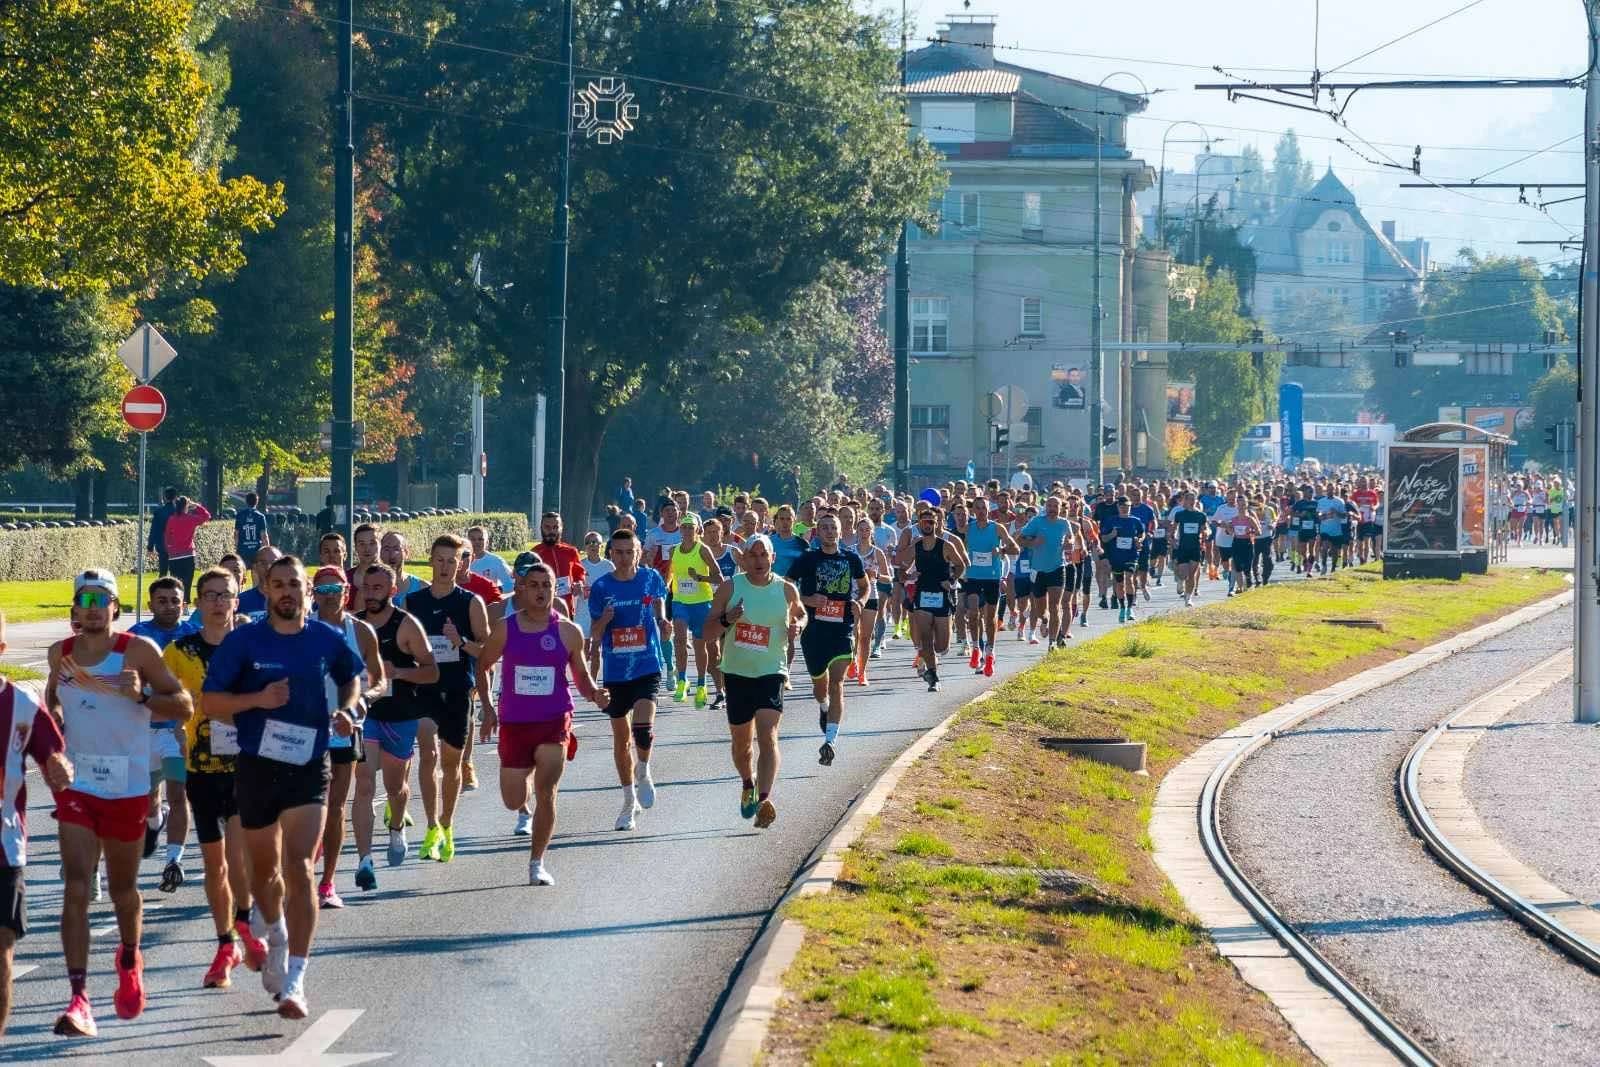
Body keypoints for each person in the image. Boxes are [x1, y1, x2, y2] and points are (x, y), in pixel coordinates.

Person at [200, 555, 363, 1019]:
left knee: (300, 867)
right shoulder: (244, 641)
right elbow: (211, 703)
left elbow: (352, 679)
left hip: (309, 764)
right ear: (266, 590)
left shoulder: (325, 638)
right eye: (278, 584)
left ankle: (296, 977)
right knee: (264, 873)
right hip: (257, 765)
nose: (287, 591)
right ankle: (276, 933)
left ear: (307, 591)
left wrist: (349, 710)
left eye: (295, 584)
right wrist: (259, 698)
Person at [46, 569, 193, 1036]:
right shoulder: (60, 654)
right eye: (84, 599)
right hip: (79, 786)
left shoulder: (137, 651)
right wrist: (54, 733)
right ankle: (79, 998)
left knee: (122, 891)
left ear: (115, 606)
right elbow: (52, 702)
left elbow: (184, 706)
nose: (92, 608)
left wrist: (144, 695)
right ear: (74, 607)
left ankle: (129, 958)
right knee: (76, 885)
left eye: (101, 599)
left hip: (127, 787)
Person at [163, 569, 271, 989]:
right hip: (201, 769)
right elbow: (161, 696)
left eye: (225, 595)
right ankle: (226, 943)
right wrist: (175, 716)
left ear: (236, 601)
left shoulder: (253, 647)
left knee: (240, 857)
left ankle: (243, 922)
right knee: (214, 864)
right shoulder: (180, 651)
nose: (218, 602)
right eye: (209, 595)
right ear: (198, 601)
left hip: (246, 767)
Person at [476, 557, 608, 885]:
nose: (541, 591)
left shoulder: (568, 631)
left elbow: (581, 676)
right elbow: (483, 665)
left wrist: (595, 694)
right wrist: (488, 709)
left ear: (554, 590)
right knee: (513, 800)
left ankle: (537, 863)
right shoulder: (506, 628)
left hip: (554, 720)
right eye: (533, 585)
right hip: (515, 722)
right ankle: (525, 789)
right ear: (521, 589)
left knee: (546, 791)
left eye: (546, 585)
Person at [0, 610, 73, 1037]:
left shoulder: (22, 705)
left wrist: (60, 770)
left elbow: (54, 758)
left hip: (4, 849)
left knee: (2, 954)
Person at [704, 536, 805, 828]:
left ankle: (764, 799)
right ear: (744, 559)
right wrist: (728, 619)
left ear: (773, 558)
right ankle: (748, 782)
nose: (759, 561)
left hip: (771, 671)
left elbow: (801, 614)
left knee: (768, 734)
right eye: (753, 555)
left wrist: (798, 625)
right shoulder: (730, 587)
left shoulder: (786, 589)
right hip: (737, 673)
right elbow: (707, 632)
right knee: (741, 744)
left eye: (764, 555)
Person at [406, 536, 492, 862]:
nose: (445, 567)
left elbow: (486, 651)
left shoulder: (471, 602)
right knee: (428, 753)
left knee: (450, 763)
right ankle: (431, 826)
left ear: (461, 564)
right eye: (440, 560)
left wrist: (460, 641)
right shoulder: (413, 602)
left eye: (451, 561)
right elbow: (403, 646)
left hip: (457, 689)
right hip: (425, 689)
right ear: (431, 560)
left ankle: (447, 824)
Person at [353, 563, 439, 887]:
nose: (371, 594)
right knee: (363, 783)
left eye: (378, 588)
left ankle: (397, 826)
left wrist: (399, 672)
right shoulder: (354, 626)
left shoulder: (406, 625)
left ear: (392, 591)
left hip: (400, 716)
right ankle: (365, 860)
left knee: (395, 788)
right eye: (367, 588)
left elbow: (432, 672)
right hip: (365, 717)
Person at [309, 567, 383, 909]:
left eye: (335, 589)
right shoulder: (301, 630)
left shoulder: (361, 632)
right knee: (308, 805)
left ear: (346, 592)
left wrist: (363, 701)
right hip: (305, 729)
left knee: (336, 806)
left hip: (344, 727)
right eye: (322, 590)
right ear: (313, 594)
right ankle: (302, 865)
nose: (329, 596)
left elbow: (380, 680)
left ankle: (327, 883)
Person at [587, 529, 670, 831]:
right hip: (616, 670)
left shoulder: (650, 578)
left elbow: (658, 602)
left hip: (647, 663)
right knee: (621, 739)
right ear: (611, 554)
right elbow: (595, 633)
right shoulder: (601, 587)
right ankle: (628, 801)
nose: (624, 558)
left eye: (629, 552)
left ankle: (644, 771)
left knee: (643, 729)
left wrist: (662, 620)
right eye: (618, 552)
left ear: (638, 553)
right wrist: (604, 620)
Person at [128, 577, 196, 891]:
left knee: (178, 794)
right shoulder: (137, 637)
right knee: (148, 797)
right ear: (150, 604)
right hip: (144, 730)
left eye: (175, 601)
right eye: (162, 601)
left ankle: (173, 861)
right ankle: (156, 822)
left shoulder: (192, 635)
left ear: (184, 604)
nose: (169, 606)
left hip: (177, 733)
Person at [899, 506, 966, 691]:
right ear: (919, 524)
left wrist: (951, 580)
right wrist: (908, 575)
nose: (927, 525)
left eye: (931, 522)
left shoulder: (946, 545)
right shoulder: (916, 546)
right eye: (924, 522)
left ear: (937, 524)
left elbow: (961, 565)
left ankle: (931, 659)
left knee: (942, 646)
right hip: (922, 596)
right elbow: (901, 568)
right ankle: (933, 676)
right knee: (926, 639)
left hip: (942, 596)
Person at [667, 514, 722, 708]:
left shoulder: (703, 549)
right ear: (680, 530)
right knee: (679, 639)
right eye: (684, 527)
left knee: (700, 645)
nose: (687, 531)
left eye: (691, 527)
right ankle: (682, 681)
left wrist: (700, 578)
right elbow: (670, 573)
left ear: (698, 530)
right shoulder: (673, 550)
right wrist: (663, 586)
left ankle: (701, 683)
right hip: (680, 601)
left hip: (701, 603)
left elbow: (718, 577)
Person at [961, 503, 1018, 675]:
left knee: (990, 617)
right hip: (973, 576)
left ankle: (990, 651)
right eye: (977, 508)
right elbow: (961, 549)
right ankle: (976, 648)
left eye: (983, 508)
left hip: (992, 577)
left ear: (988, 510)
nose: (980, 512)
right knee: (973, 613)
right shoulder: (968, 529)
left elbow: (1015, 548)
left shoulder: (997, 528)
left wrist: (1001, 550)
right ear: (973, 511)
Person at [164, 495, 212, 603]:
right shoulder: (191, 519)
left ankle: (177, 601)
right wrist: (196, 505)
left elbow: (167, 536)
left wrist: (169, 549)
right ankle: (186, 601)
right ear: (186, 506)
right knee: (187, 581)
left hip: (174, 555)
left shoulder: (171, 519)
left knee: (176, 582)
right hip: (188, 554)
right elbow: (207, 516)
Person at [468, 525, 516, 593]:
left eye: (481, 539)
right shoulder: (460, 561)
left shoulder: (496, 561)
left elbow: (511, 584)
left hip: (489, 599)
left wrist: (491, 591)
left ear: (487, 542)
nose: (477, 542)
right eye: (473, 539)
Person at [147, 487, 178, 578]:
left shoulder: (159, 512)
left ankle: (162, 586)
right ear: (175, 497)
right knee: (175, 573)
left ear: (165, 497)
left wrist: (150, 547)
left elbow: (154, 530)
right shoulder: (178, 512)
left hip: (162, 545)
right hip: (177, 546)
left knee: (163, 572)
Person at [235, 492, 271, 563]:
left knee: (244, 568)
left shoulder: (240, 515)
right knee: (255, 568)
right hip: (256, 550)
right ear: (257, 502)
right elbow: (264, 536)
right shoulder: (260, 516)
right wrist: (267, 549)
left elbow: (236, 534)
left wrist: (236, 547)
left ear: (246, 501)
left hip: (242, 550)